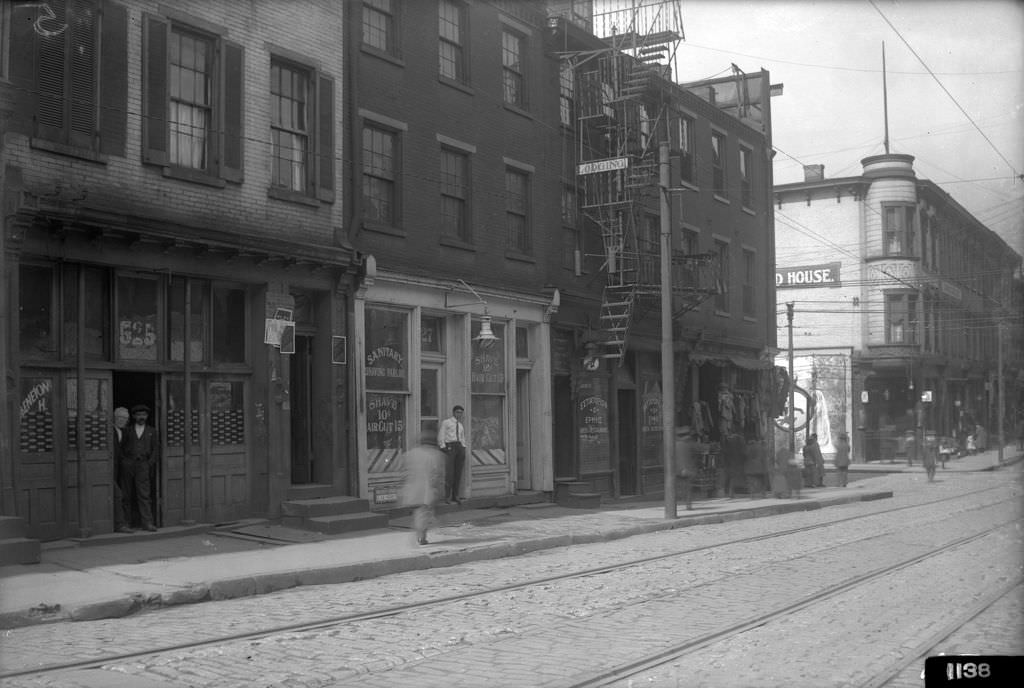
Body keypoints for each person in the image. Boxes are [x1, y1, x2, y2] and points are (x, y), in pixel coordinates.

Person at [401, 431, 445, 545]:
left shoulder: (410, 453)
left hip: (413, 489)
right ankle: (421, 537)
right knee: (424, 512)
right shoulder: (435, 455)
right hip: (426, 489)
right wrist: (437, 489)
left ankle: (420, 535)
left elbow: (405, 472)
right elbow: (436, 474)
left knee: (419, 513)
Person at [121, 404, 159, 532]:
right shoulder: (127, 430)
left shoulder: (152, 431)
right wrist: (124, 462)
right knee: (126, 494)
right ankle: (125, 523)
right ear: (134, 416)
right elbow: (120, 448)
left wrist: (149, 464)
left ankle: (147, 523)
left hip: (143, 465)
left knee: (144, 495)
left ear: (147, 416)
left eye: (143, 415)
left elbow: (155, 450)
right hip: (128, 464)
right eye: (138, 415)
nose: (141, 417)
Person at [437, 405, 467, 504]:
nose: (459, 414)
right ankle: (447, 496)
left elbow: (462, 437)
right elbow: (441, 434)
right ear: (453, 412)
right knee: (450, 473)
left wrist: (463, 447)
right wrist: (443, 446)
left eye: (461, 413)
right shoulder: (446, 422)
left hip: (459, 447)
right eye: (458, 412)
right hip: (450, 446)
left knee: (458, 473)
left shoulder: (461, 425)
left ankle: (456, 495)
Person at [111, 406, 133, 533]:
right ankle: (119, 525)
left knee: (119, 494)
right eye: (120, 417)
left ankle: (120, 523)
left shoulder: (123, 432)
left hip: (118, 469)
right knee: (118, 494)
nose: (122, 420)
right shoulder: (110, 430)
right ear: (114, 417)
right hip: (107, 468)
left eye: (125, 418)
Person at [674, 426, 698, 510]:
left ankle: (676, 504)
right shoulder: (689, 443)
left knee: (677, 487)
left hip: (676, 469)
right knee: (688, 487)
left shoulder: (674, 444)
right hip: (687, 469)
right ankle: (688, 504)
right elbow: (697, 449)